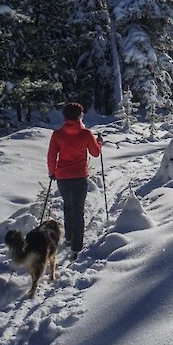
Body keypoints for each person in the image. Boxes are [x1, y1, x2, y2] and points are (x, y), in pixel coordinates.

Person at [47, 102, 103, 260]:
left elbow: (52, 155)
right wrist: (99, 142)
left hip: (62, 178)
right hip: (79, 177)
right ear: (80, 115)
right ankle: (77, 246)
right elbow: (95, 153)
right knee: (78, 210)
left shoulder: (57, 134)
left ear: (65, 116)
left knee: (68, 206)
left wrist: (52, 172)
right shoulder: (86, 134)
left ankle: (69, 237)